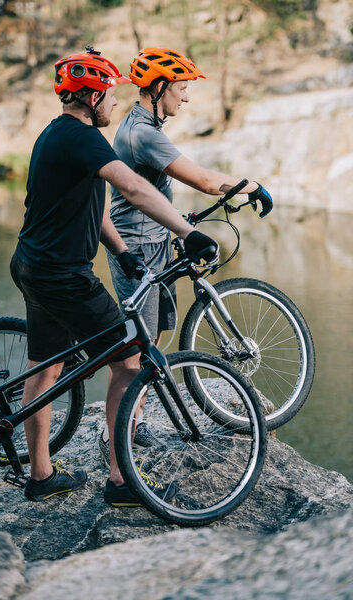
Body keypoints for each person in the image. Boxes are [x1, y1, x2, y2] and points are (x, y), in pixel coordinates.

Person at [10, 46, 219, 506]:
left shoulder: (56, 135)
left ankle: (41, 475)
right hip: (64, 276)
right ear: (90, 96)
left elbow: (92, 209)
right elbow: (134, 187)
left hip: (33, 266)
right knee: (127, 362)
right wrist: (188, 230)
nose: (114, 102)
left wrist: (122, 252)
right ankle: (123, 481)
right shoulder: (83, 138)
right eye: (108, 94)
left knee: (45, 367)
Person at [103, 47, 273, 458]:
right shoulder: (142, 132)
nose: (186, 97)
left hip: (155, 241)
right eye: (180, 88)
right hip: (138, 249)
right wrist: (249, 186)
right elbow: (202, 178)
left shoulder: (145, 125)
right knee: (133, 355)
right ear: (159, 87)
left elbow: (157, 187)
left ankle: (134, 422)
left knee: (152, 339)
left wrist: (176, 223)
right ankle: (114, 436)